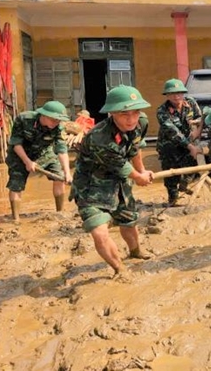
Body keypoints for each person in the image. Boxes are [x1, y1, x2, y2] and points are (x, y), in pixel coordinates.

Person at [71, 86, 154, 278]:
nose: (131, 119)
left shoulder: (140, 123)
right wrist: (139, 177)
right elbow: (121, 166)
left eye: (135, 113)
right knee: (99, 232)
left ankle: (135, 252)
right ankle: (120, 268)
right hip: (91, 188)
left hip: (119, 183)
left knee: (128, 221)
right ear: (112, 113)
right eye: (124, 114)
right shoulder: (99, 137)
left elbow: (134, 149)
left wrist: (142, 169)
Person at [6, 100, 72, 221]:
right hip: (20, 154)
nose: (56, 122)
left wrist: (67, 172)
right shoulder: (24, 119)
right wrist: (27, 162)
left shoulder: (59, 127)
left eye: (59, 120)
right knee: (16, 184)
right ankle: (16, 219)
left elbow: (62, 150)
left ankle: (59, 212)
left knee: (59, 177)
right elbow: (16, 144)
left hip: (44, 152)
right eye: (54, 119)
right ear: (44, 115)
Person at [156, 78, 203, 206]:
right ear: (167, 95)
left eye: (179, 93)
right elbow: (173, 132)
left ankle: (184, 184)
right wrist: (190, 146)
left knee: (193, 164)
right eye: (172, 93)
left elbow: (200, 117)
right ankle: (173, 200)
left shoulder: (191, 103)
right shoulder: (162, 111)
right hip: (169, 146)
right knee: (172, 172)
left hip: (189, 141)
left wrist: (198, 130)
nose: (177, 96)